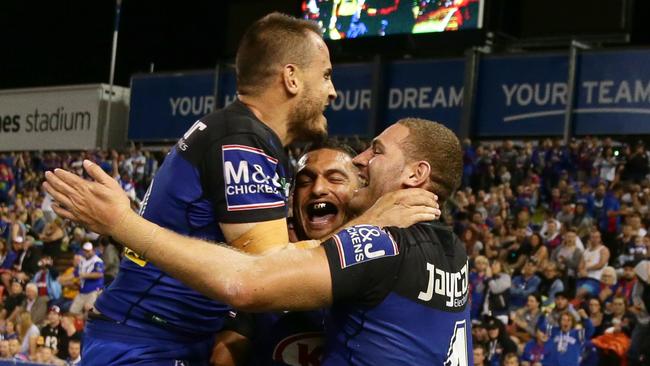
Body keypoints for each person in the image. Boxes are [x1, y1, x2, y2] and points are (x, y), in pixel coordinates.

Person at [44, 118, 467, 365]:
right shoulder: (452, 254)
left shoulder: (384, 245)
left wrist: (122, 222)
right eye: (304, 181)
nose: (361, 159)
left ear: (416, 175)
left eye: (376, 152)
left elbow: (244, 283)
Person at [53, 12, 338, 365]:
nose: (332, 91)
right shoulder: (243, 142)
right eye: (326, 75)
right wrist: (373, 226)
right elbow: (272, 280)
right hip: (146, 344)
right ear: (291, 78)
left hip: (162, 336)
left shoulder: (241, 134)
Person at [211, 141, 361, 366]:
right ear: (292, 197)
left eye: (335, 179)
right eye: (304, 181)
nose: (318, 189)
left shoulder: (388, 266)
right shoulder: (260, 269)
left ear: (362, 192)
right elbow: (223, 357)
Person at [69, 242, 103, 317]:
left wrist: (85, 275)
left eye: (88, 250)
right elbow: (76, 274)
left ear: (92, 250)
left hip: (93, 290)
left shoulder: (97, 261)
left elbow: (99, 274)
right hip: (82, 291)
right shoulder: (82, 261)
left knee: (89, 313)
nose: (86, 252)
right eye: (85, 250)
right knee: (72, 312)